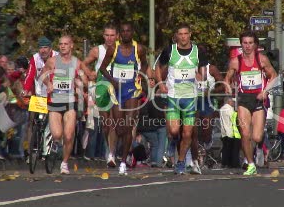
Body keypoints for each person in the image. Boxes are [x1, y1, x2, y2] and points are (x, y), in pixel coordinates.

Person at [155, 23, 208, 175]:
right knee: (173, 130)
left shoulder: (198, 51)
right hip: (173, 97)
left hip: (190, 98)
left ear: (190, 34)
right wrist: (160, 84)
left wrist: (200, 76)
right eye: (180, 34)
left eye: (186, 34)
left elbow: (203, 74)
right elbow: (158, 67)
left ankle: (180, 162)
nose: (183, 37)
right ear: (176, 35)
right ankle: (172, 140)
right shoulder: (169, 50)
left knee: (187, 134)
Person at [224, 30, 277, 175]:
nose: (247, 46)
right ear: (241, 44)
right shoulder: (236, 61)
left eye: (250, 43)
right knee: (245, 133)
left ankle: (256, 150)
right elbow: (227, 77)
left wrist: (265, 91)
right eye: (245, 43)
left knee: (256, 137)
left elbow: (274, 76)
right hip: (243, 99)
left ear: (255, 45)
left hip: (258, 99)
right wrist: (228, 87)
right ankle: (251, 164)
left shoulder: (262, 59)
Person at [99, 22, 148, 175]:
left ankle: (123, 162)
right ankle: (122, 153)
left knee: (128, 126)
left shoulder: (138, 49)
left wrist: (141, 75)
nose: (126, 34)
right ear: (120, 34)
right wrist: (112, 81)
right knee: (119, 128)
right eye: (123, 31)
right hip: (116, 91)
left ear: (132, 32)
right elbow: (102, 67)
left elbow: (145, 64)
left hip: (132, 90)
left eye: (128, 31)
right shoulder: (114, 48)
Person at [41, 35, 86, 174]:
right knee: (57, 134)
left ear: (71, 45)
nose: (63, 46)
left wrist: (82, 84)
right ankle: (54, 143)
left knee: (68, 135)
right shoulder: (52, 61)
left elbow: (84, 78)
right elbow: (43, 75)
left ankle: (64, 163)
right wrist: (48, 83)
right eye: (60, 44)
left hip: (70, 102)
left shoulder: (77, 62)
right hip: (55, 102)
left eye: (66, 44)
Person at [81, 23, 119, 167]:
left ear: (117, 36)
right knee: (105, 123)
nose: (109, 38)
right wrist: (89, 73)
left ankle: (111, 154)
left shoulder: (121, 50)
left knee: (114, 121)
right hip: (102, 86)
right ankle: (109, 149)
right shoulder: (97, 50)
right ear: (103, 36)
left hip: (116, 86)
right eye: (107, 35)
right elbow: (83, 64)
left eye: (112, 35)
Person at [22, 36, 58, 162]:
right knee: (32, 121)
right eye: (41, 48)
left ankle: (47, 150)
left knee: (51, 123)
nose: (43, 50)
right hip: (39, 95)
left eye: (45, 48)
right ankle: (30, 151)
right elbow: (30, 75)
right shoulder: (35, 58)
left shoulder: (58, 58)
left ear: (50, 48)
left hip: (54, 95)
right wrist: (26, 89)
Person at [220, 97, 241, 168]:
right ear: (229, 101)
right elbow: (234, 118)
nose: (234, 103)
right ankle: (234, 164)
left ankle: (225, 163)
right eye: (233, 102)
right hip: (232, 132)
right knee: (234, 150)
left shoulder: (222, 109)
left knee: (225, 149)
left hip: (224, 132)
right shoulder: (229, 108)